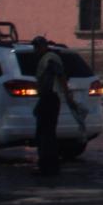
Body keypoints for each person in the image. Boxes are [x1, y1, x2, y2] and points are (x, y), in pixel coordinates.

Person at [32, 36, 79, 176]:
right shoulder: (46, 58)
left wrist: (68, 95)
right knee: (44, 133)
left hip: (50, 98)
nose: (35, 50)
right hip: (47, 98)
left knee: (46, 134)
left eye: (37, 47)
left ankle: (48, 166)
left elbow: (61, 76)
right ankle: (47, 165)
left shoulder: (50, 58)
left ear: (42, 46)